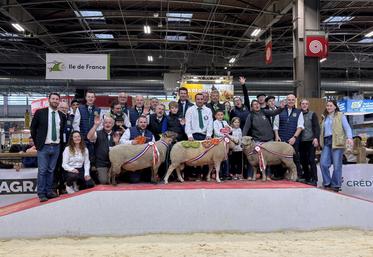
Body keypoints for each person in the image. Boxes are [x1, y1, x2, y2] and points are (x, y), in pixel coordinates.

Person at [30, 92, 66, 202]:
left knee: (51, 170)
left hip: (56, 147)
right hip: (43, 147)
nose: (55, 101)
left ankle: (49, 191)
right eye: (53, 99)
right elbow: (33, 129)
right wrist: (38, 144)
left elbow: (62, 131)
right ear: (49, 100)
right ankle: (41, 193)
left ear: (59, 101)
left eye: (57, 99)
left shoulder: (62, 116)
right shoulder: (40, 113)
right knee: (42, 171)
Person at [320, 100, 353, 192]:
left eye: (331, 105)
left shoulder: (340, 115)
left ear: (335, 107)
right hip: (326, 141)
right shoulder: (325, 117)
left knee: (337, 165)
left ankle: (336, 185)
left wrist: (349, 138)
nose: (328, 107)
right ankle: (327, 183)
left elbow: (347, 128)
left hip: (337, 142)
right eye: (327, 105)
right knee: (323, 163)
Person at [273, 94, 304, 180]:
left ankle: (298, 176)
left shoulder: (299, 112)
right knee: (280, 157)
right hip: (281, 138)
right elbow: (275, 125)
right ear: (286, 100)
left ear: (295, 101)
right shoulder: (279, 110)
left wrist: (294, 137)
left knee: (295, 157)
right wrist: (277, 136)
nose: (291, 101)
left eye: (292, 100)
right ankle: (279, 175)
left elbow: (300, 126)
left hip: (293, 139)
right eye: (289, 100)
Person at [87, 116, 120, 184]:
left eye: (110, 123)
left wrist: (116, 142)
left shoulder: (116, 134)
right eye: (105, 123)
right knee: (103, 181)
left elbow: (119, 151)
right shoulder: (97, 133)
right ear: (102, 124)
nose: (107, 124)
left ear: (113, 124)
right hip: (101, 163)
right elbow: (89, 137)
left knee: (116, 179)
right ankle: (96, 174)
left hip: (112, 163)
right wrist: (96, 125)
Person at [299, 99, 320, 186]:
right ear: (300, 105)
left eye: (306, 104)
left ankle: (314, 179)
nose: (304, 105)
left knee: (311, 160)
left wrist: (316, 138)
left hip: (311, 140)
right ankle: (307, 178)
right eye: (303, 104)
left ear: (308, 105)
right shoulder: (297, 113)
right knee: (303, 160)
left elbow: (316, 127)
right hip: (301, 141)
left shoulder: (312, 114)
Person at [75, 91, 101, 160]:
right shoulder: (80, 108)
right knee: (80, 158)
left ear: (95, 98)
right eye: (88, 97)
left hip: (92, 139)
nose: (90, 98)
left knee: (91, 158)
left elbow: (99, 125)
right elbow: (76, 124)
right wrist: (78, 137)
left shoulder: (98, 110)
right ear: (86, 98)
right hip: (82, 139)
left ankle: (89, 170)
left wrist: (95, 136)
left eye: (92, 97)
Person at [213, 110, 231, 180]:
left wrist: (228, 129)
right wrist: (225, 133)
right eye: (218, 115)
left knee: (226, 157)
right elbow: (217, 132)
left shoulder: (225, 122)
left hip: (225, 141)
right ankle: (219, 174)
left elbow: (230, 129)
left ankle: (226, 174)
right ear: (215, 116)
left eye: (221, 115)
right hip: (218, 141)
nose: (220, 116)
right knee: (218, 158)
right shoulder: (215, 122)